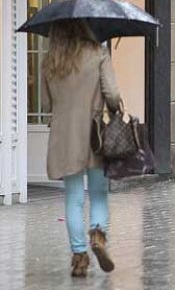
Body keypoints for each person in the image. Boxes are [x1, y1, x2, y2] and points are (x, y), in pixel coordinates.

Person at [41, 20, 121, 277]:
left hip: (64, 136)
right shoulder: (99, 54)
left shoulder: (51, 61)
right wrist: (115, 106)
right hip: (94, 133)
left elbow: (45, 103)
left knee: (73, 198)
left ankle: (79, 257)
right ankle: (97, 236)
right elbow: (113, 94)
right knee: (98, 193)